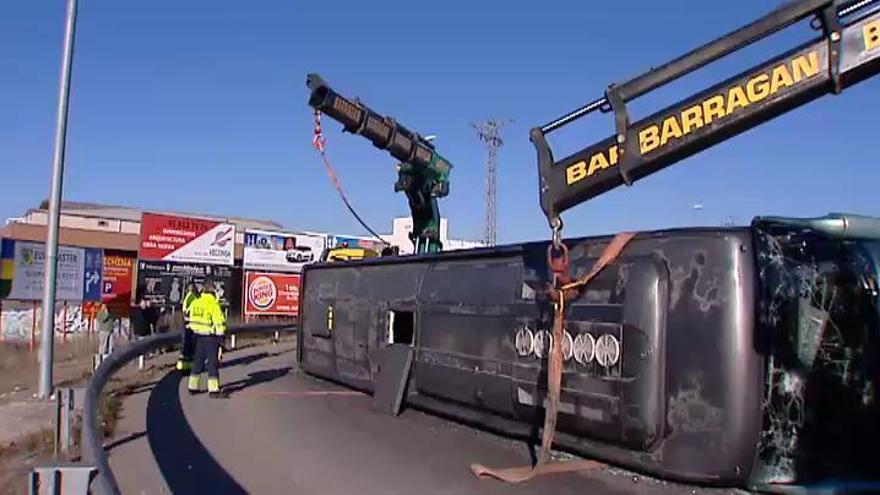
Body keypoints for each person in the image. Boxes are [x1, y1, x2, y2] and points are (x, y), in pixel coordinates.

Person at [187, 279, 227, 398]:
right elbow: (219, 324)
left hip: (197, 336)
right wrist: (221, 342)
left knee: (197, 362)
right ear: (213, 291)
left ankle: (192, 387)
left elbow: (188, 317)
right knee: (212, 363)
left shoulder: (196, 302)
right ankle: (213, 390)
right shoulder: (213, 304)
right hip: (210, 337)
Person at [176, 282, 199, 372]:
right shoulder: (195, 297)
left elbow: (184, 310)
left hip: (188, 323)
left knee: (186, 344)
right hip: (192, 323)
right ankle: (189, 364)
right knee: (190, 345)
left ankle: (184, 365)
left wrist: (186, 318)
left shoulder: (190, 296)